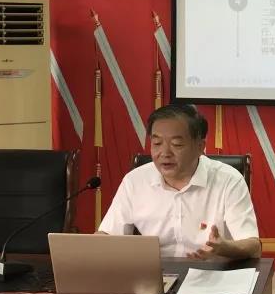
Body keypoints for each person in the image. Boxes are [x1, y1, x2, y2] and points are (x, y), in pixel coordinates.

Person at [98, 104, 261, 260]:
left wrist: (224, 248)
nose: (164, 153)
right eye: (157, 143)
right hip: (155, 273)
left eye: (177, 144)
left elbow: (253, 247)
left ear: (200, 147)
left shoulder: (228, 180)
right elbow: (107, 236)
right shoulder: (135, 181)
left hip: (214, 271)